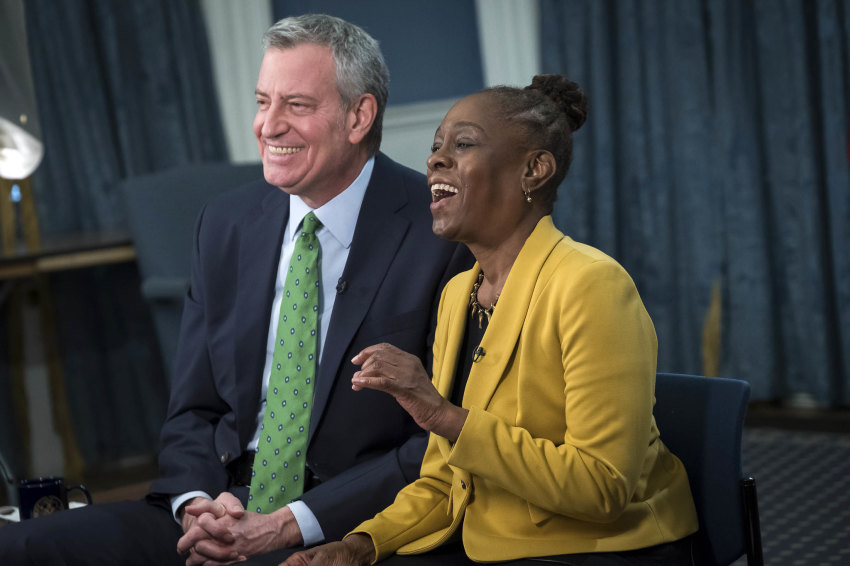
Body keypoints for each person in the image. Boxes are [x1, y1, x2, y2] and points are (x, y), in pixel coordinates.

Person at [0, 14, 471, 566]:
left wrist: (286, 526)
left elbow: (438, 444)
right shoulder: (224, 223)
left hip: (342, 522)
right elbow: (191, 412)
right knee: (23, 547)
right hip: (218, 503)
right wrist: (197, 507)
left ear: (358, 116)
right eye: (262, 101)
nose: (268, 125)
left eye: (296, 105)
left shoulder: (443, 232)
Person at [282, 75, 699, 566]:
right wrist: (360, 544)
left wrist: (444, 416)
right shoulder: (459, 294)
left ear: (534, 170)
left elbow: (600, 489)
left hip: (597, 548)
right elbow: (444, 480)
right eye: (436, 146)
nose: (435, 158)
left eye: (462, 144)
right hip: (485, 537)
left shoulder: (592, 286)